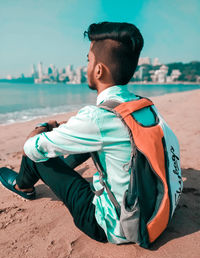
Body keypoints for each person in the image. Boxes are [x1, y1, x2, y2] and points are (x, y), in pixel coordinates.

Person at [0, 22, 157, 244]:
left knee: (38, 154)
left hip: (112, 225)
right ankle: (40, 172)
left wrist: (43, 127)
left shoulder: (98, 117)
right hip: (152, 210)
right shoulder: (144, 106)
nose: (86, 67)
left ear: (99, 70)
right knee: (88, 143)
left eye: (88, 60)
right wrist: (72, 131)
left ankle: (22, 185)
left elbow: (30, 147)